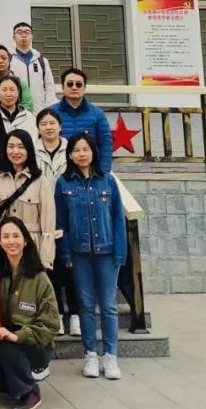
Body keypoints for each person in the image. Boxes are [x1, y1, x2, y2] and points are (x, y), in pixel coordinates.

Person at [55, 131, 127, 381]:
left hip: (107, 252)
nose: (81, 154)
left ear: (93, 152)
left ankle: (110, 355)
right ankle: (91, 354)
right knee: (85, 306)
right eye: (76, 150)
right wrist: (65, 253)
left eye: (85, 149)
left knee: (108, 306)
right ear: (70, 155)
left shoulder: (107, 180)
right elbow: (61, 222)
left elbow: (118, 218)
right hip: (79, 253)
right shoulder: (63, 183)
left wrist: (120, 251)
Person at [0, 217, 59, 409]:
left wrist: (17, 335)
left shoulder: (39, 278)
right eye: (6, 236)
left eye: (16, 236)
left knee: (5, 346)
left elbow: (50, 325)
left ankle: (30, 390)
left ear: (25, 240)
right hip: (5, 344)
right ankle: (18, 383)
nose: (11, 241)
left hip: (35, 346)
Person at [33, 108, 74, 335]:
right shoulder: (32, 151)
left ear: (60, 126)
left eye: (52, 123)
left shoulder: (71, 149)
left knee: (71, 267)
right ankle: (55, 315)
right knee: (51, 268)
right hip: (42, 216)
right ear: (38, 128)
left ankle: (75, 316)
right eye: (44, 124)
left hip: (69, 213)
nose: (48, 127)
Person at [0, 130, 56, 270]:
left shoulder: (40, 181)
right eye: (11, 146)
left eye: (21, 147)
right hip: (6, 247)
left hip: (32, 245)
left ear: (29, 150)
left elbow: (48, 225)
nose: (15, 151)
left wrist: (45, 260)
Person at [50, 68, 113, 174]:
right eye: (70, 84)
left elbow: (106, 143)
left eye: (79, 84)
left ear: (84, 88)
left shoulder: (97, 113)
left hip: (90, 171)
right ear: (62, 87)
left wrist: (103, 172)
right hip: (59, 171)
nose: (74, 87)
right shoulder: (51, 113)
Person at [9, 23, 56, 113]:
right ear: (14, 37)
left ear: (32, 37)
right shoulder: (9, 60)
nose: (23, 35)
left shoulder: (42, 61)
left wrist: (49, 108)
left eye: (27, 32)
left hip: (39, 111)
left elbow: (49, 86)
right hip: (16, 111)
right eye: (19, 32)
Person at [0, 76, 39, 142]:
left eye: (12, 90)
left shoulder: (29, 117)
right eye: (4, 90)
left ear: (18, 92)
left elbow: (33, 142)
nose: (8, 94)